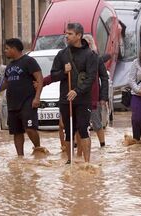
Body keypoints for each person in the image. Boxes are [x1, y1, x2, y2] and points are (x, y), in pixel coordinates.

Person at [50, 23, 98, 164]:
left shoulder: (90, 55)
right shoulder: (62, 54)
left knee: (83, 128)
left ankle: (87, 163)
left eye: (70, 34)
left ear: (78, 35)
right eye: (66, 33)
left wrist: (77, 91)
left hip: (83, 99)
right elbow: (53, 76)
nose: (66, 36)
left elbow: (91, 78)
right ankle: (69, 161)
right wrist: (64, 72)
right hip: (66, 99)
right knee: (68, 130)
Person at [0, 38, 46, 156]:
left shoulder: (29, 61)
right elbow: (5, 82)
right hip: (12, 103)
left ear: (14, 49)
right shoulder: (9, 66)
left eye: (7, 49)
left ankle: (38, 149)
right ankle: (20, 157)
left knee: (30, 128)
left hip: (28, 101)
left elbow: (39, 79)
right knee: (16, 132)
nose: (5, 51)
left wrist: (37, 98)